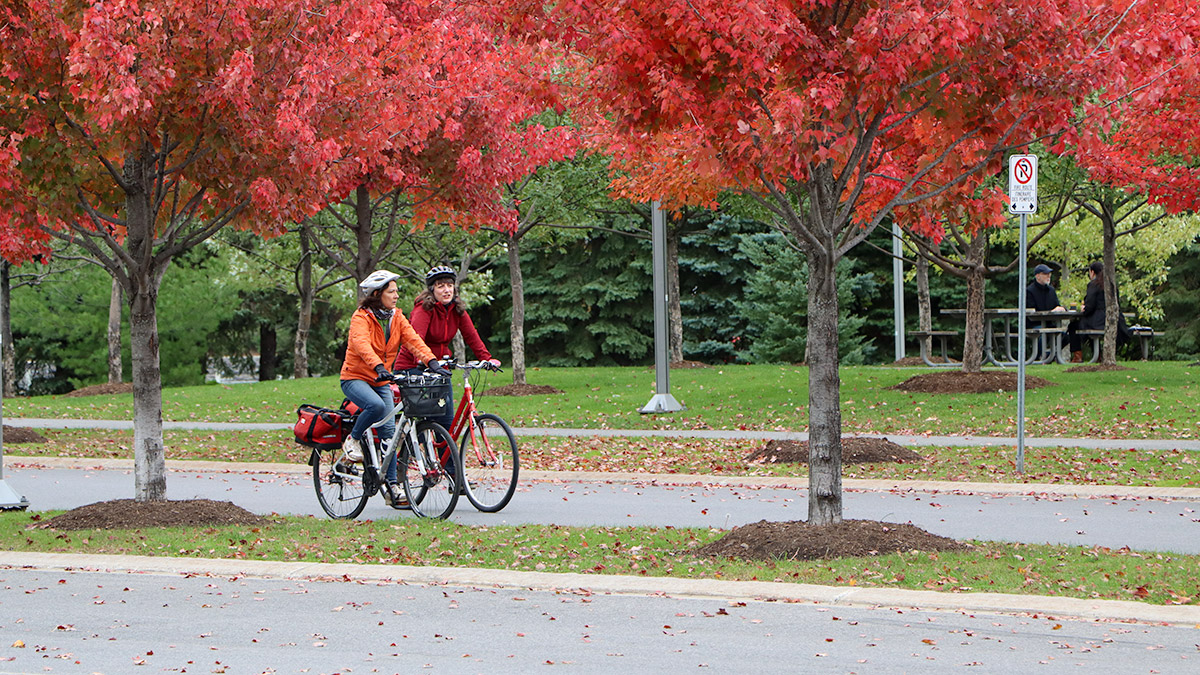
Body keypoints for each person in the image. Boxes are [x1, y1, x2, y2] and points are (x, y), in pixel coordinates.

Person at [340, 269, 447, 508]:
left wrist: (432, 363)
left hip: (382, 379)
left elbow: (413, 340)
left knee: (390, 435)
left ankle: (392, 489)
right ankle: (353, 440)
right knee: (376, 406)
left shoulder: (396, 316)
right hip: (355, 377)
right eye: (392, 292)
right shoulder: (361, 317)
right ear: (378, 294)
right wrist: (378, 366)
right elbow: (361, 345)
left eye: (397, 291)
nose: (397, 295)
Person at [394, 265, 501, 434]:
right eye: (441, 286)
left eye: (450, 285)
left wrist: (486, 358)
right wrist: (423, 361)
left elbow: (471, 336)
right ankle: (417, 450)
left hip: (440, 368)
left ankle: (448, 460)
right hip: (413, 367)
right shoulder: (424, 308)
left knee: (446, 421)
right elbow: (415, 340)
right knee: (425, 417)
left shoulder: (456, 310)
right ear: (432, 290)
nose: (446, 290)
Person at [1065, 261, 1130, 362]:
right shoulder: (1112, 285)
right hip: (1114, 320)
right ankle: (1097, 356)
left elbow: (1090, 305)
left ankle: (1078, 356)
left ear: (1092, 272)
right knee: (1088, 327)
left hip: (1098, 320)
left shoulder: (1093, 285)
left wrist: (1084, 309)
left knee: (1073, 326)